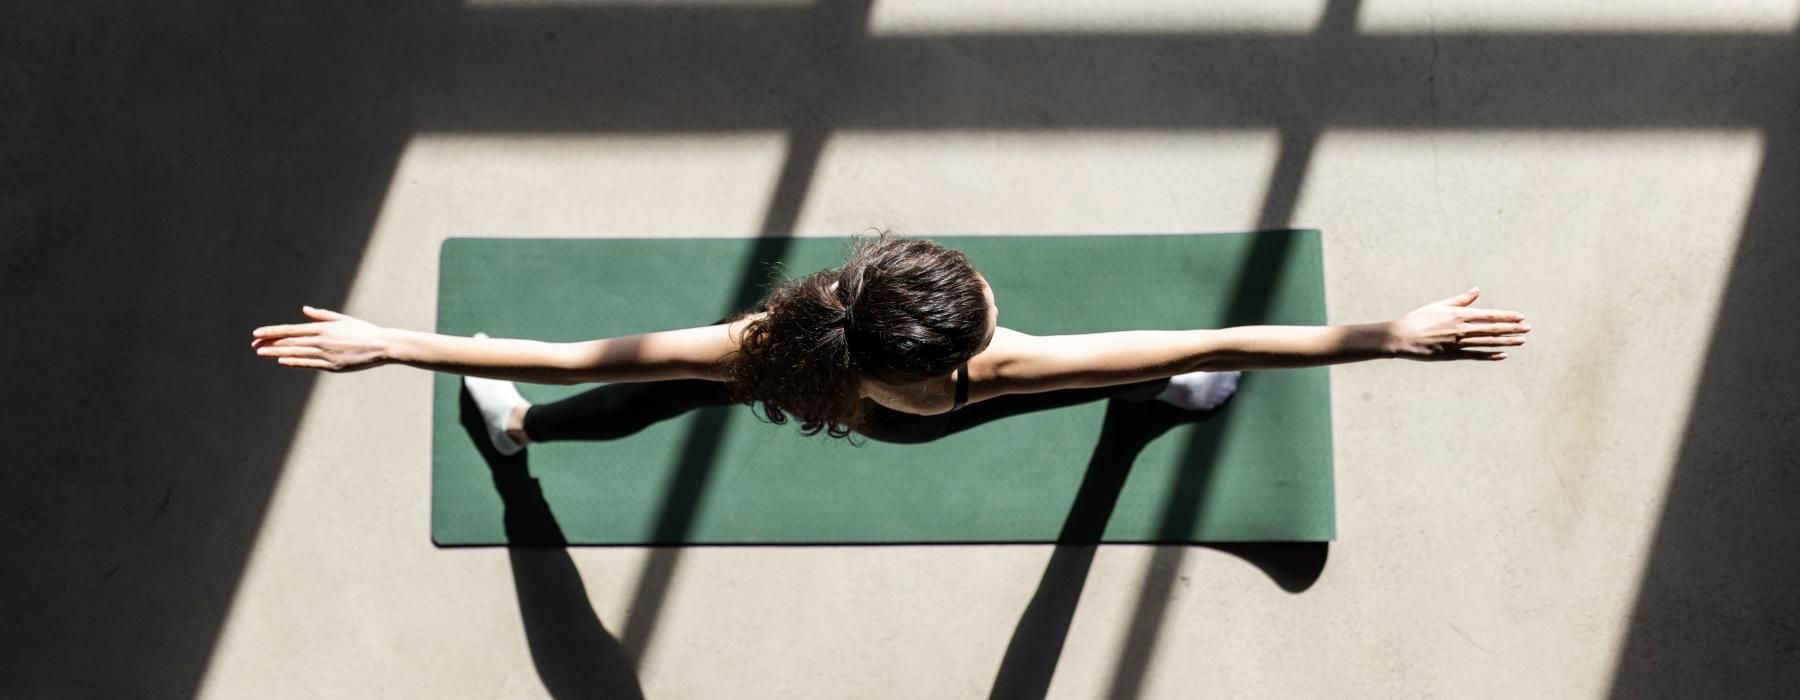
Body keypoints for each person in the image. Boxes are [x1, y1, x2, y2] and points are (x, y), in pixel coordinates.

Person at [249, 233, 1529, 452]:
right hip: (862, 406)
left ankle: (1163, 402)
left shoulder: (771, 345)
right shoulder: (995, 364)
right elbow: (582, 355)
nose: (989, 307)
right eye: (969, 320)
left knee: (1151, 366)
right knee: (1133, 368)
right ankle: (512, 438)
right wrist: (397, 345)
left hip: (843, 392)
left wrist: (1389, 334)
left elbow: (1221, 330)